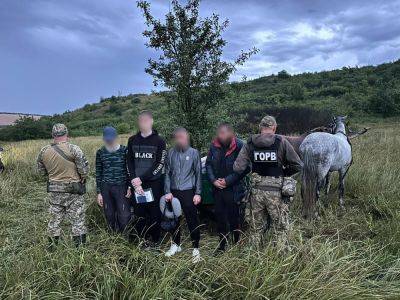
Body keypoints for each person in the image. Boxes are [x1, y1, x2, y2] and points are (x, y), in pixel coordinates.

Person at [233, 116, 302, 249]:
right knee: (280, 229)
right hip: (276, 193)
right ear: (274, 128)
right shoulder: (281, 141)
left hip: (256, 192)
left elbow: (237, 168)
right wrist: (284, 172)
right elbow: (298, 165)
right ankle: (280, 259)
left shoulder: (250, 143)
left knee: (255, 229)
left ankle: (253, 259)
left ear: (260, 128)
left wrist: (252, 167)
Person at [37, 124, 89, 248]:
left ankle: (52, 249)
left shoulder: (44, 151)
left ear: (53, 135)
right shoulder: (74, 149)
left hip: (54, 191)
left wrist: (54, 178)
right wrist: (81, 178)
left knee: (54, 221)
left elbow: (40, 172)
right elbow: (84, 170)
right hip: (74, 191)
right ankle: (80, 250)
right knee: (78, 220)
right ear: (67, 134)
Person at [206, 123, 249, 253]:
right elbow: (208, 164)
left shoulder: (240, 145)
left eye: (223, 133)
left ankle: (236, 244)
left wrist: (227, 181)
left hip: (233, 189)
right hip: (218, 189)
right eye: (219, 133)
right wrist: (213, 180)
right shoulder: (214, 145)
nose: (221, 136)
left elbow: (246, 168)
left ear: (230, 133)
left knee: (234, 218)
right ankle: (222, 246)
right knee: (220, 218)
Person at [127, 111, 166, 247]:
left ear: (151, 121)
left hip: (153, 184)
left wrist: (141, 179)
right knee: (139, 212)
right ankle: (141, 240)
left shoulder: (159, 141)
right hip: (137, 186)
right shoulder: (132, 140)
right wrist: (134, 181)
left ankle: (155, 240)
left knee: (154, 213)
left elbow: (160, 164)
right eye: (141, 120)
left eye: (146, 120)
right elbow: (129, 162)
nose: (143, 123)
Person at [164, 127, 202, 263]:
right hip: (173, 191)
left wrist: (198, 193)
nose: (180, 139)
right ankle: (176, 245)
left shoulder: (194, 153)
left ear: (187, 137)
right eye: (177, 137)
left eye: (182, 137)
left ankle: (196, 248)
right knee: (173, 219)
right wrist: (167, 191)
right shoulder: (170, 153)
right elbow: (167, 173)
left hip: (188, 191)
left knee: (192, 219)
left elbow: (198, 174)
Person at [95, 126, 132, 233]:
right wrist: (99, 193)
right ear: (104, 139)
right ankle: (112, 235)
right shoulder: (100, 152)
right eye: (107, 139)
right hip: (106, 187)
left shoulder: (125, 150)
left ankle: (124, 235)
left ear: (116, 137)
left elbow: (130, 170)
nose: (109, 141)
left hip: (122, 187)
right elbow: (98, 172)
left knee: (124, 214)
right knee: (109, 214)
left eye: (111, 139)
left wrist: (129, 187)